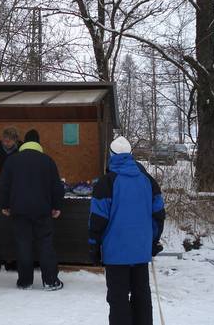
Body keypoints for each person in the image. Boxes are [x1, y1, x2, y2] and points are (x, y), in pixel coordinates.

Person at [88, 136, 166, 325]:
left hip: (116, 253)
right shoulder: (149, 181)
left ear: (111, 156)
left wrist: (93, 247)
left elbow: (97, 220)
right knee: (142, 297)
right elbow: (159, 215)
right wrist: (153, 241)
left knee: (118, 300)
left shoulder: (105, 183)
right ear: (131, 154)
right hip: (140, 250)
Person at [0, 129, 65, 291]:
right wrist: (57, 206)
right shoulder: (47, 161)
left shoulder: (12, 161)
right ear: (38, 143)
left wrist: (4, 205)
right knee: (45, 244)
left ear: (23, 143)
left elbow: (4, 185)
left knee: (23, 244)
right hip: (43, 210)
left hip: (19, 210)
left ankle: (25, 281)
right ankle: (50, 280)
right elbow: (56, 186)